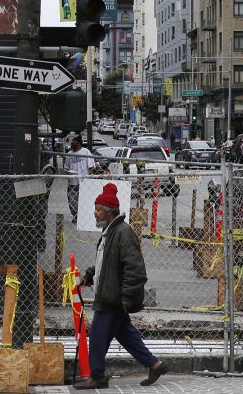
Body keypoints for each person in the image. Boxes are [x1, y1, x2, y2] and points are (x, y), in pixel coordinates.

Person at [76, 183, 168, 389]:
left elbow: (135, 269)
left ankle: (97, 376)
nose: (95, 212)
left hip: (114, 298)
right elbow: (105, 262)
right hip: (112, 295)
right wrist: (90, 276)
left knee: (98, 337)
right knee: (125, 334)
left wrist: (126, 297)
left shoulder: (123, 233)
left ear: (109, 212)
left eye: (98, 209)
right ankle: (155, 364)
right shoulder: (110, 232)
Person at [64, 136, 94, 223]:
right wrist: (68, 172)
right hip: (72, 182)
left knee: (84, 200)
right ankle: (76, 216)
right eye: (71, 143)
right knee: (72, 201)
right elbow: (66, 167)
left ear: (79, 144)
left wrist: (88, 178)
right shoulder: (69, 154)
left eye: (74, 143)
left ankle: (84, 217)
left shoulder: (86, 152)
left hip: (84, 181)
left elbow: (91, 166)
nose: (72, 145)